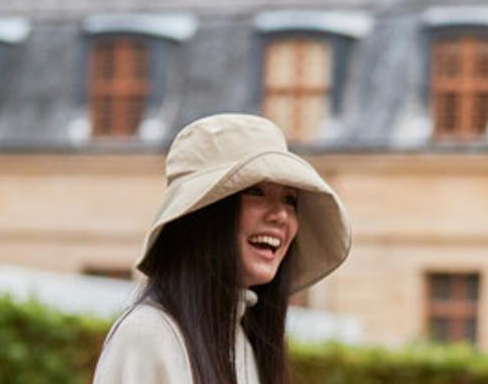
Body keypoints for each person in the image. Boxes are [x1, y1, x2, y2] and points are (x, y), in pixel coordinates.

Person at [92, 114, 351, 384]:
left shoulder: (247, 346)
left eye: (290, 200)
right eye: (255, 192)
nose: (281, 215)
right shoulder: (149, 337)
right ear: (202, 214)